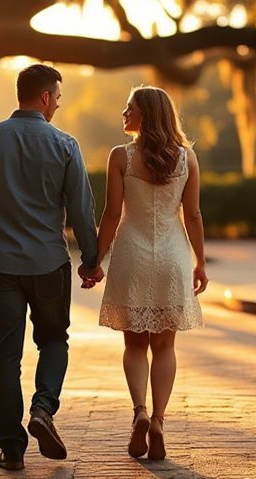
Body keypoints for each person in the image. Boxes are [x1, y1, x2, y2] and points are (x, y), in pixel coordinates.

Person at [0, 64, 104, 471]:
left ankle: (12, 449)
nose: (57, 105)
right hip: (49, 264)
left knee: (5, 356)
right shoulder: (65, 145)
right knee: (53, 341)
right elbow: (82, 212)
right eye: (57, 97)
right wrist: (91, 260)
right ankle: (43, 409)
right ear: (45, 97)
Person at [95, 86, 208, 461]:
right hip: (173, 257)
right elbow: (192, 216)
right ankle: (159, 419)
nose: (123, 114)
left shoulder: (121, 157)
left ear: (146, 114)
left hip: (132, 255)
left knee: (134, 345)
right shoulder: (186, 158)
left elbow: (112, 215)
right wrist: (200, 262)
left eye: (130, 109)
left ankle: (139, 412)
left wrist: (96, 259)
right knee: (165, 346)